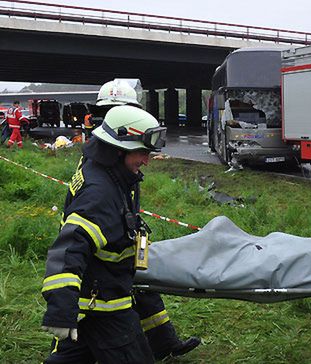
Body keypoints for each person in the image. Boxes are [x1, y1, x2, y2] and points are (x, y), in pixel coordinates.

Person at [41, 105, 166, 363]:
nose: (146, 160)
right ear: (118, 149)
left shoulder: (108, 174)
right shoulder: (101, 194)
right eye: (142, 152)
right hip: (106, 307)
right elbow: (69, 248)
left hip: (96, 299)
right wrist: (61, 309)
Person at [92, 79, 200, 360]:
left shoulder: (120, 152)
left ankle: (165, 342)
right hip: (101, 243)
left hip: (122, 231)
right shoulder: (105, 154)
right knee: (125, 296)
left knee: (145, 290)